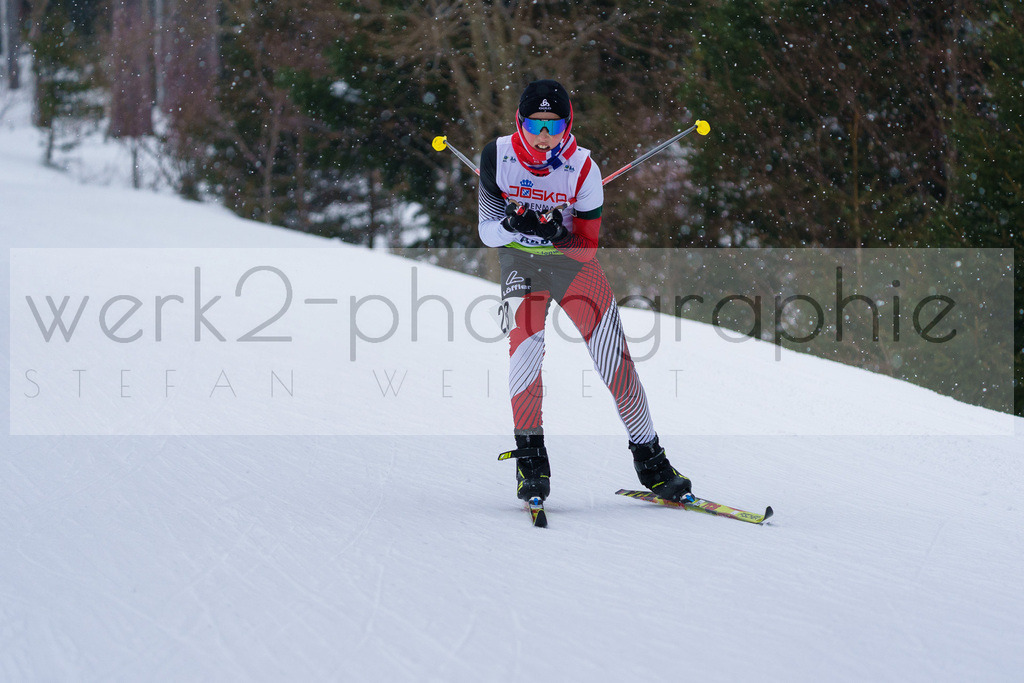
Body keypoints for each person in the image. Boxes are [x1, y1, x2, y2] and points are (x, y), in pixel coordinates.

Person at [477, 79, 692, 504]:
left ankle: (652, 462)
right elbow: (486, 232)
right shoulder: (496, 156)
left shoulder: (583, 170)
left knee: (616, 363)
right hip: (520, 263)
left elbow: (586, 248)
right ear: (519, 123)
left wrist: (557, 230)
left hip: (570, 265)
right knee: (525, 355)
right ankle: (531, 463)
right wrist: (512, 225)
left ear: (567, 126)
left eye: (553, 127)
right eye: (535, 126)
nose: (543, 137)